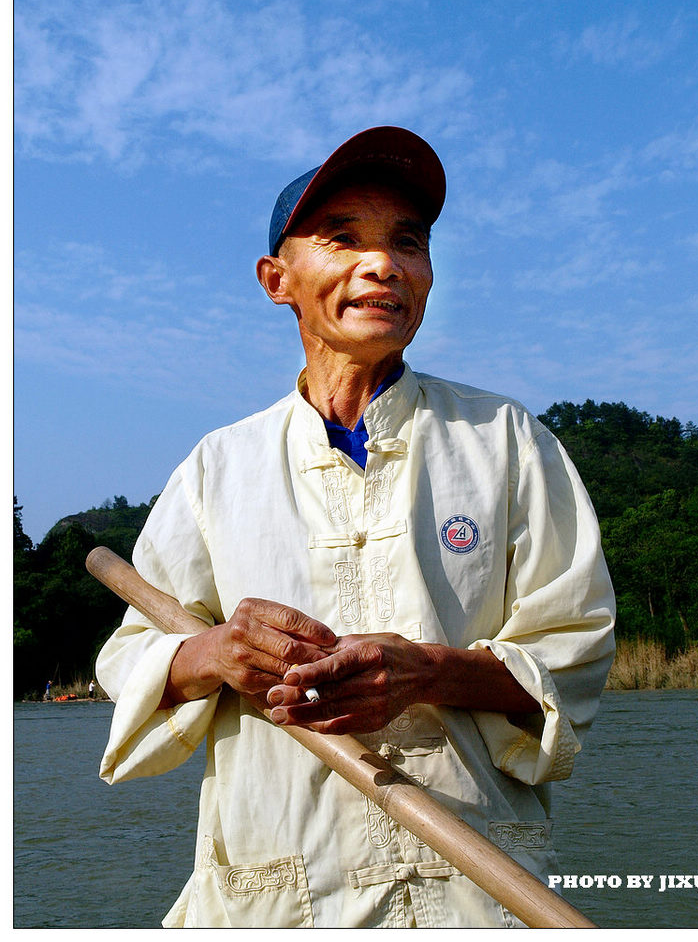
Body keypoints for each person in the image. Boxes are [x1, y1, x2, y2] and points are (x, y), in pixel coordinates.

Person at [96, 126, 615, 929]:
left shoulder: (505, 440)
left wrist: (431, 673)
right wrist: (208, 653)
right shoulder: (217, 466)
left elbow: (574, 654)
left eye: (406, 242)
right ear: (278, 280)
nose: (384, 264)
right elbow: (131, 658)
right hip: (279, 900)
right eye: (343, 239)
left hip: (473, 890)